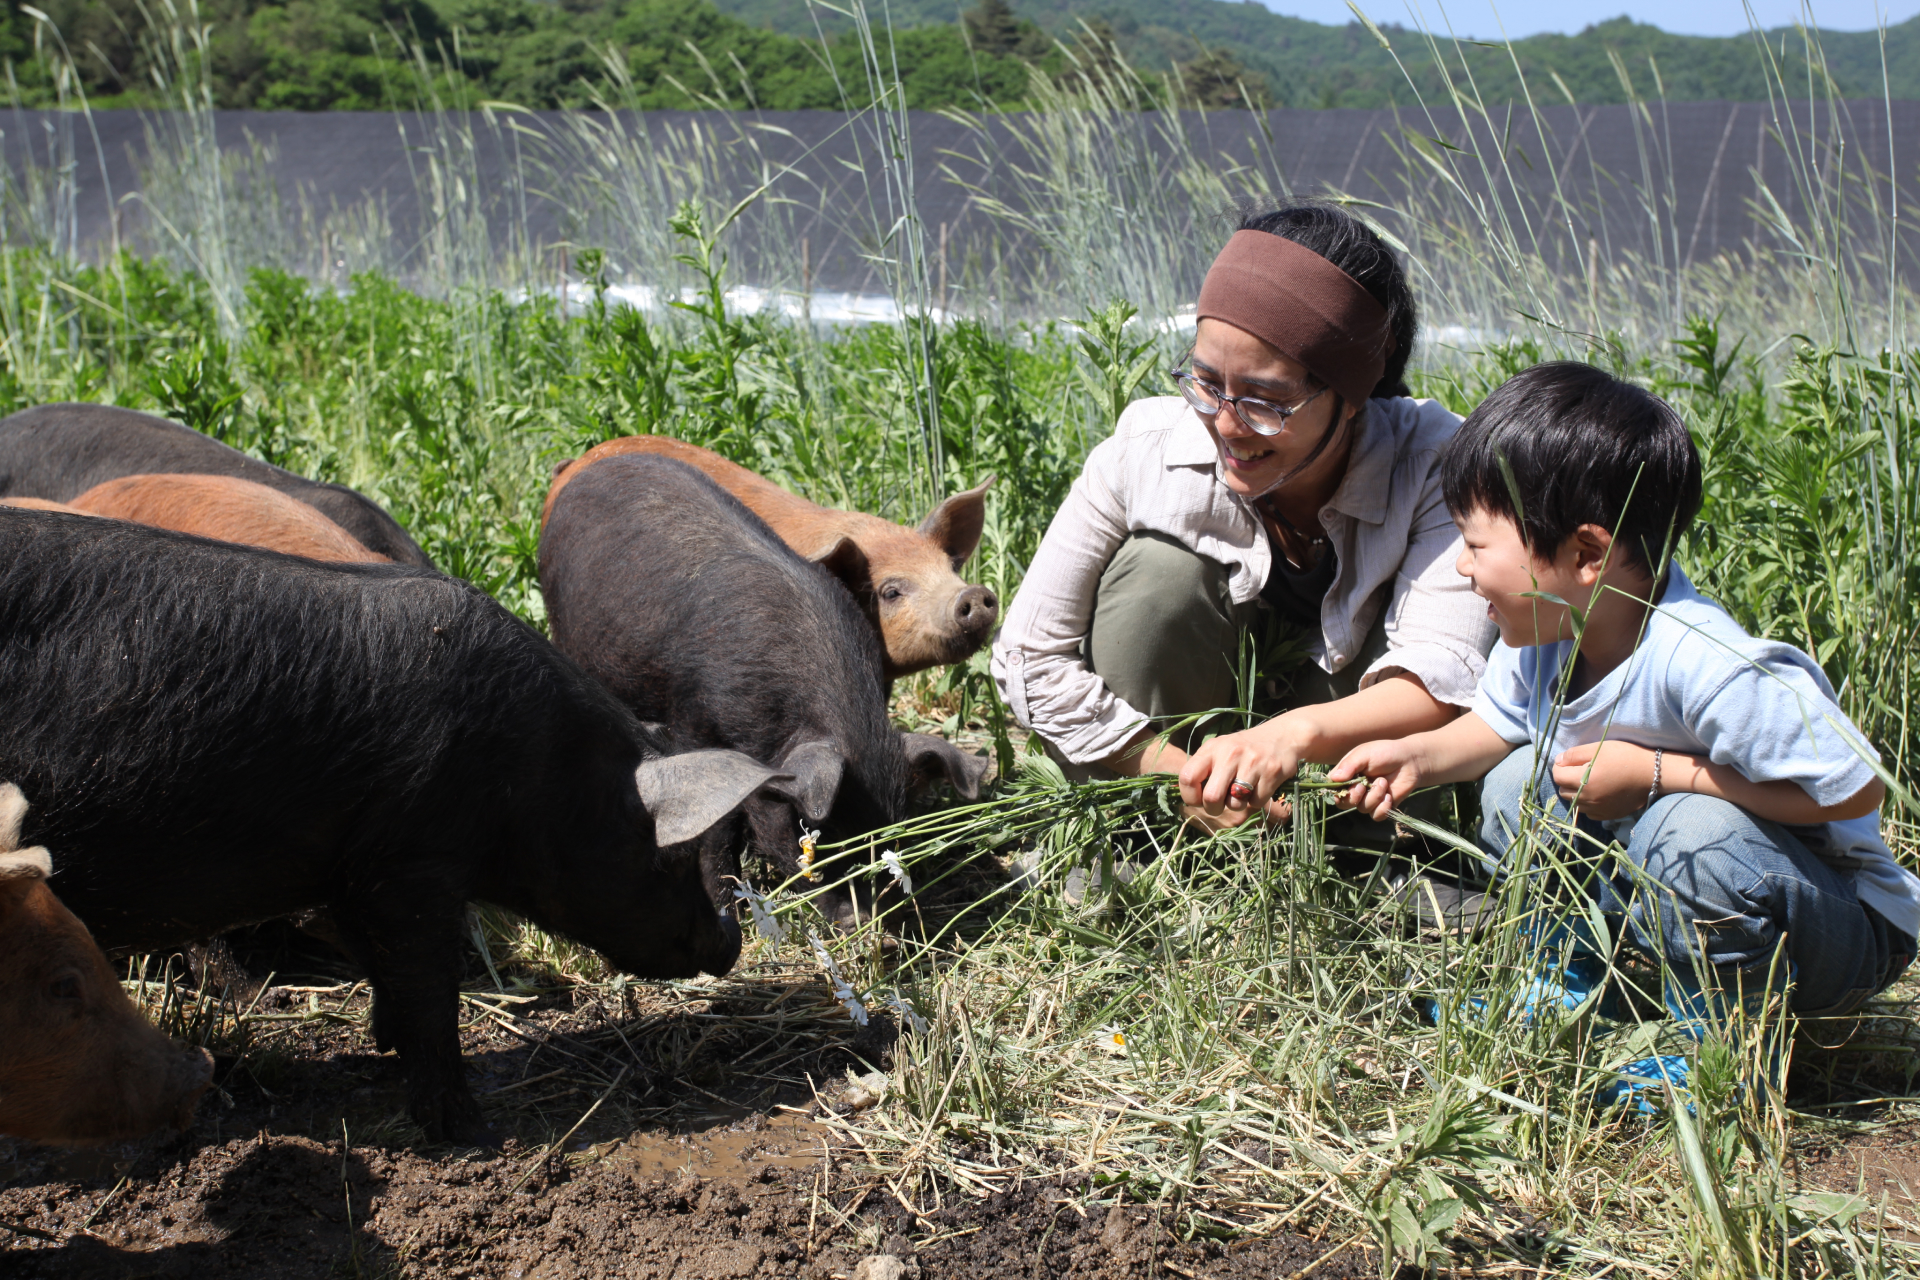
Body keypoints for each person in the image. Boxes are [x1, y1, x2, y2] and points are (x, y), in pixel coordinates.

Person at [1330, 362, 1920, 1098]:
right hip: (1685, 887)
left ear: (1586, 554)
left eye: (1477, 544)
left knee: (1690, 831)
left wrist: (1656, 775)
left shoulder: (1708, 661)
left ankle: (1723, 1062)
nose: (1461, 564)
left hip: (1844, 921)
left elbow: (1855, 782)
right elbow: (1494, 725)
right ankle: (1563, 989)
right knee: (1519, 779)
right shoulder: (1548, 632)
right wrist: (1415, 755)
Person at [991, 204, 1496, 829]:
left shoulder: (1436, 467)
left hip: (1339, 781)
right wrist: (1185, 778)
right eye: (1205, 383)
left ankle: (1338, 850)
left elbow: (1444, 673)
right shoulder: (1145, 450)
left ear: (1354, 394)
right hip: (1171, 768)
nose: (1226, 426)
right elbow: (1028, 657)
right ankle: (1148, 832)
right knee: (1158, 575)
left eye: (1266, 402)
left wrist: (1290, 736)